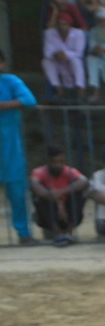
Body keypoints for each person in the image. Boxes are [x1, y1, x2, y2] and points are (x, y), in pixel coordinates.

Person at [0, 51, 39, 245]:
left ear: (2, 64)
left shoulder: (10, 81)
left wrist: (3, 105)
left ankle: (24, 233)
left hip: (9, 148)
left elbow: (29, 100)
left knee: (16, 193)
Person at [30, 145, 89, 245]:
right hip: (49, 214)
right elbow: (34, 185)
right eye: (54, 162)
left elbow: (84, 181)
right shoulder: (39, 172)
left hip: (67, 214)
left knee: (79, 193)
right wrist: (58, 201)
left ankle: (69, 232)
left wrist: (60, 192)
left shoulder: (69, 171)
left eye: (61, 161)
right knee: (38, 197)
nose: (58, 165)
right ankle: (57, 233)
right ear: (48, 161)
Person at [43, 14, 87, 101]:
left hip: (72, 60)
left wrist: (64, 54)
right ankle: (59, 90)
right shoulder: (49, 33)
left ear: (69, 25)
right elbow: (47, 52)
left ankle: (80, 91)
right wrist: (55, 55)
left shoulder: (78, 33)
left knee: (76, 61)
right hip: (57, 60)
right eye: (59, 24)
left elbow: (79, 52)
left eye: (64, 24)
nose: (61, 27)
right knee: (46, 61)